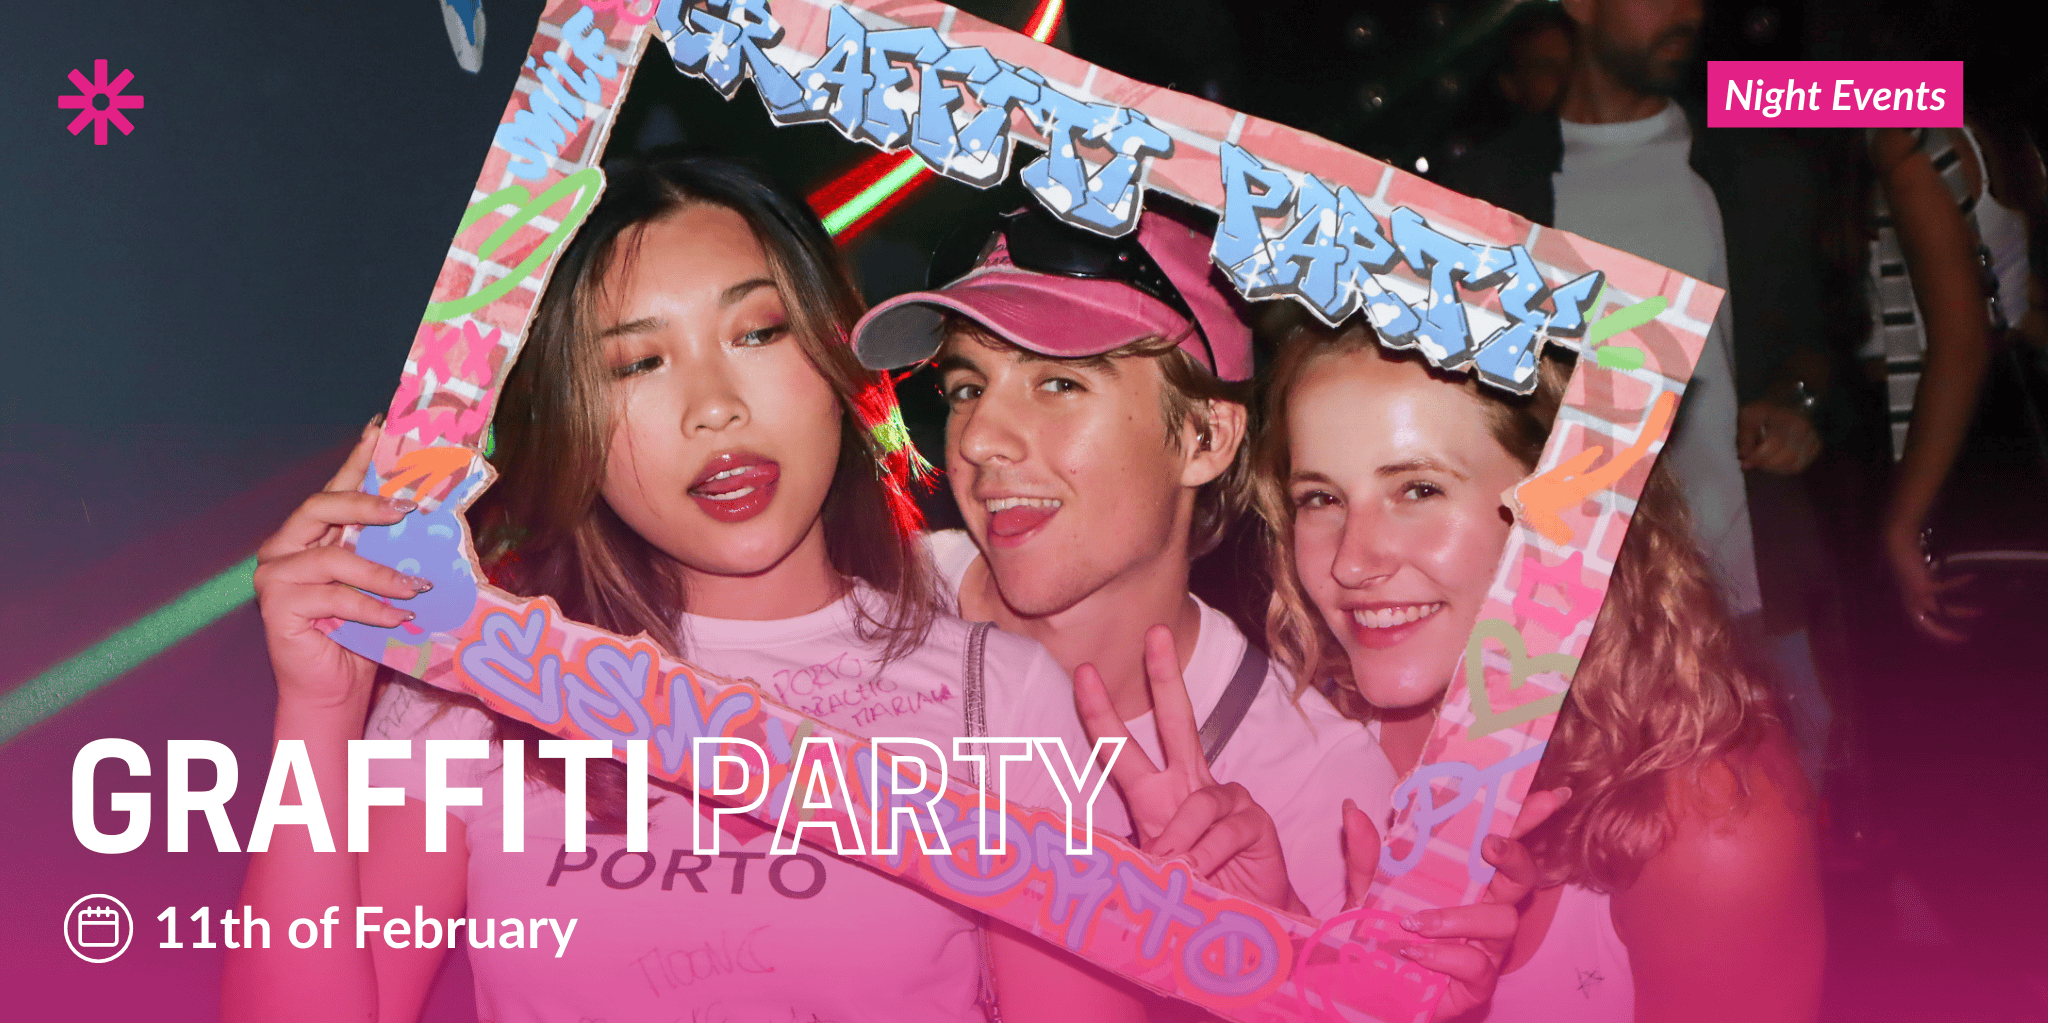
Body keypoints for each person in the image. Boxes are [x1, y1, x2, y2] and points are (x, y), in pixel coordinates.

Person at [224, 153, 1149, 1023]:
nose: (715, 407)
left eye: (757, 332)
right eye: (639, 363)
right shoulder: (474, 689)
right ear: (574, 416)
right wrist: (319, 713)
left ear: (834, 353)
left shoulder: (1002, 696)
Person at [849, 203, 1554, 1013]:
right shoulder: (852, 607)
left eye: (1058, 382)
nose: (979, 439)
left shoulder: (1318, 786)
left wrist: (1265, 971)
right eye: (968, 387)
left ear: (1206, 437)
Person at [1257, 315, 1825, 1022]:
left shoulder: (1710, 818)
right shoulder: (1296, 721)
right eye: (1321, 498)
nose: (1351, 561)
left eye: (1419, 490)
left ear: (1565, 509)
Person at [1438, 0, 1836, 788]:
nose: (1686, 12)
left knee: (1797, 816)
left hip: (1753, 585)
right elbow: (1467, 402)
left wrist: (1797, 404)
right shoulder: (1494, 188)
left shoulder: (1753, 165)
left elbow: (1813, 339)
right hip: (1587, 616)